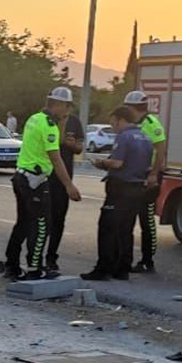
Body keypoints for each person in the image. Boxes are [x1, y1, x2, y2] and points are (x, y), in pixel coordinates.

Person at [3, 87, 82, 281]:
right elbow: (56, 158)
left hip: (21, 176)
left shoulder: (34, 118)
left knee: (22, 223)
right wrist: (69, 185)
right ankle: (35, 268)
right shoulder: (48, 125)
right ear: (58, 105)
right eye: (67, 107)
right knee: (41, 225)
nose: (68, 112)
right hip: (34, 181)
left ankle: (11, 265)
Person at [83, 106, 153, 280]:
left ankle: (103, 268)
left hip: (121, 188)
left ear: (121, 120)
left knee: (107, 227)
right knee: (126, 229)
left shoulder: (124, 137)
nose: (113, 127)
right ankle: (123, 268)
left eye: (113, 123)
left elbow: (117, 163)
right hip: (138, 188)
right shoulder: (145, 137)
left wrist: (101, 163)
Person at [123, 91, 167, 274]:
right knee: (129, 219)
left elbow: (161, 149)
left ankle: (148, 260)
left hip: (149, 176)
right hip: (135, 176)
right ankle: (126, 258)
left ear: (134, 108)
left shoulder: (151, 124)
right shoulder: (135, 125)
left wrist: (154, 174)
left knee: (146, 220)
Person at [46, 109, 86, 276]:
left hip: (64, 177)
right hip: (45, 176)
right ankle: (33, 259)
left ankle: (51, 258)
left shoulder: (74, 122)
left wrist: (71, 144)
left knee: (58, 219)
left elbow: (79, 148)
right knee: (42, 219)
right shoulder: (45, 121)